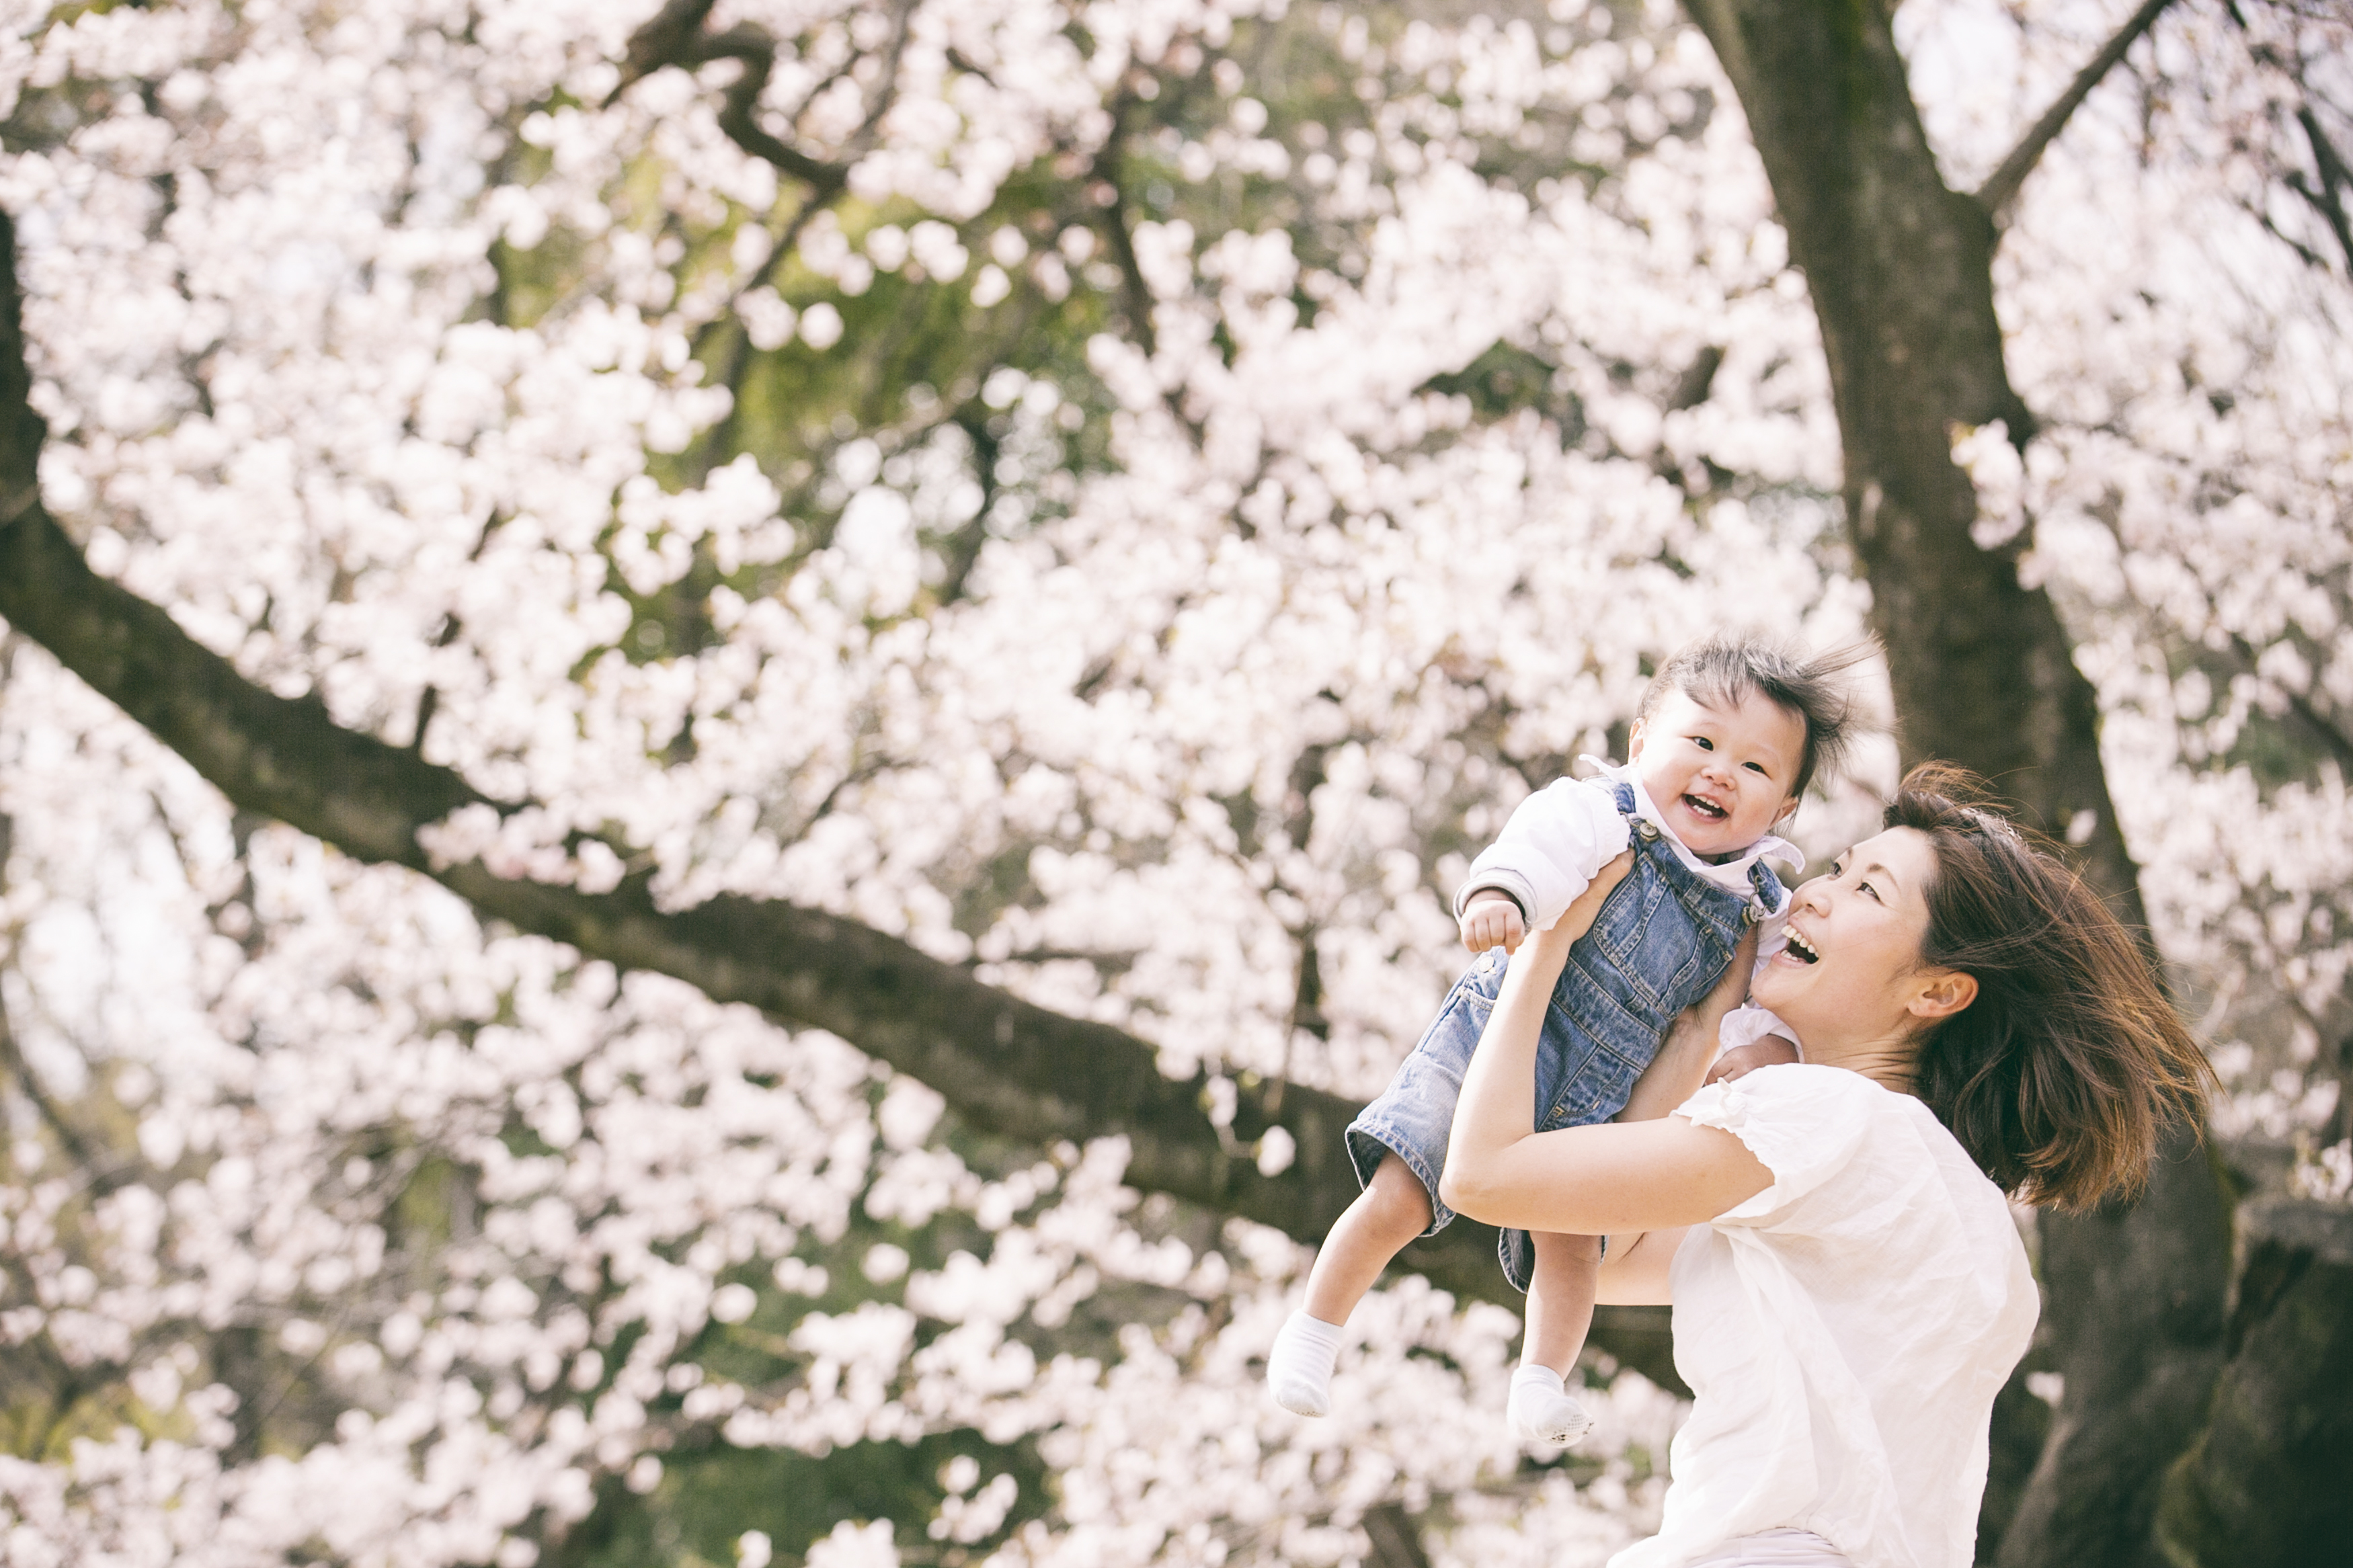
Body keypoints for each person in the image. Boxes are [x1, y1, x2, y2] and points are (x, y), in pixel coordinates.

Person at [1440, 764, 2213, 1568]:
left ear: (1937, 991)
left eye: (1867, 892)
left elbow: (1483, 1173)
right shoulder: (1947, 1200)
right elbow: (1612, 1256)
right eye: (1837, 868)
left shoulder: (1822, 1117)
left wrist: (1548, 944)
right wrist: (1702, 1029)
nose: (1808, 893)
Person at [1267, 633, 1872, 1444]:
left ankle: (1542, 1376)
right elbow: (1534, 846)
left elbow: (1762, 998)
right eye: (1699, 742)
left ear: (1785, 810)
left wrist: (1764, 1047)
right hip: (1498, 1036)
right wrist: (1501, 893)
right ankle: (1313, 1332)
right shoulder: (1603, 813)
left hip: (1608, 1084)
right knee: (1399, 1194)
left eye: (1757, 768)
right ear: (1638, 743)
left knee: (1573, 1241)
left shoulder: (1754, 903)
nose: (1721, 771)